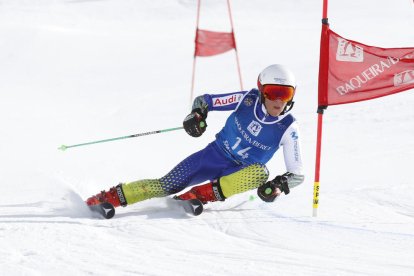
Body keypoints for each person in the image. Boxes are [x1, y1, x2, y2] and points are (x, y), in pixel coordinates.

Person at [86, 64, 304, 211]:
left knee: (260, 173)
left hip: (239, 173)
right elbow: (204, 101)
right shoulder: (247, 99)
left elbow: (297, 174)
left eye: (285, 94)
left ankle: (199, 195)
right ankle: (109, 198)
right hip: (213, 155)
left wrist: (277, 185)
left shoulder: (288, 127)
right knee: (166, 184)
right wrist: (197, 115)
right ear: (261, 90)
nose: (278, 100)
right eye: (273, 92)